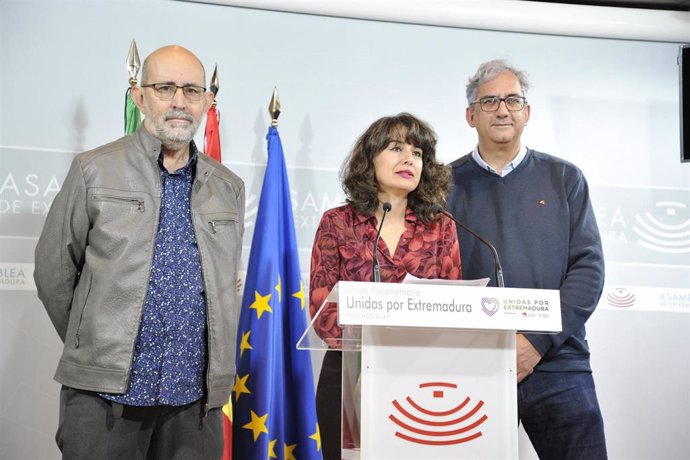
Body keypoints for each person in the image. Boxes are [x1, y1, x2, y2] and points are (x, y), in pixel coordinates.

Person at [34, 45, 245, 460]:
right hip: (104, 398)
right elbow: (53, 273)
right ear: (139, 97)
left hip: (194, 402)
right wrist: (93, 344)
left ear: (207, 101)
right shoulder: (94, 169)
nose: (180, 102)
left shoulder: (228, 186)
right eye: (165, 88)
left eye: (192, 90)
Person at [447, 59, 607, 458]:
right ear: (470, 115)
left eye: (513, 100)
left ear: (527, 112)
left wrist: (536, 343)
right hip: (470, 364)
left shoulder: (564, 178)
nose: (502, 109)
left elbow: (588, 270)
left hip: (558, 362)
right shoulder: (441, 186)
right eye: (489, 102)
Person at [309, 113, 462, 460]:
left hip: (421, 379)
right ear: (369, 160)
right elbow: (323, 312)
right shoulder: (337, 223)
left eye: (418, 153)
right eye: (396, 148)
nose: (409, 159)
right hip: (347, 377)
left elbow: (454, 306)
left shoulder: (442, 227)